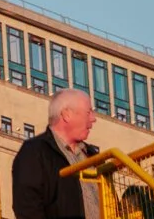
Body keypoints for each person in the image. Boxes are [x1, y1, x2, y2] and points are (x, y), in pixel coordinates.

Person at [12, 87, 100, 219]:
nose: (94, 119)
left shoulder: (94, 157)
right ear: (66, 115)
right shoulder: (35, 151)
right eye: (88, 113)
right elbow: (27, 206)